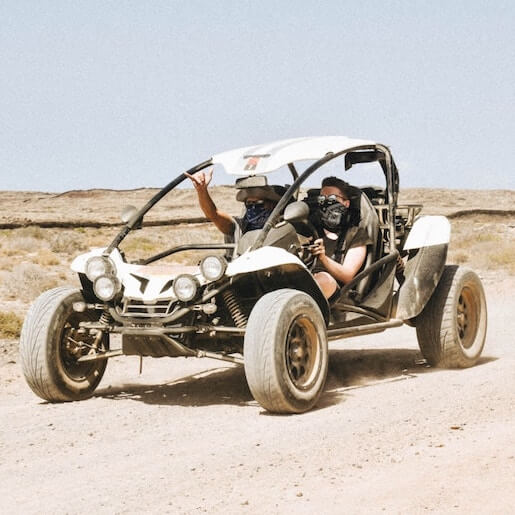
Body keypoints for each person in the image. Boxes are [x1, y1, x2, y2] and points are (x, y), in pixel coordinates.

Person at [308, 176, 373, 301]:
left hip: (336, 291)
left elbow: (347, 275)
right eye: (322, 198)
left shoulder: (355, 234)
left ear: (346, 203)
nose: (327, 202)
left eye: (333, 198)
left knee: (322, 279)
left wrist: (323, 258)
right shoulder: (312, 228)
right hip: (308, 281)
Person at [185, 167, 282, 239]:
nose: (253, 207)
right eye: (249, 203)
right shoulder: (239, 227)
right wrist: (202, 190)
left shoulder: (283, 227)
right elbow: (213, 214)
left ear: (272, 204)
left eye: (258, 202)